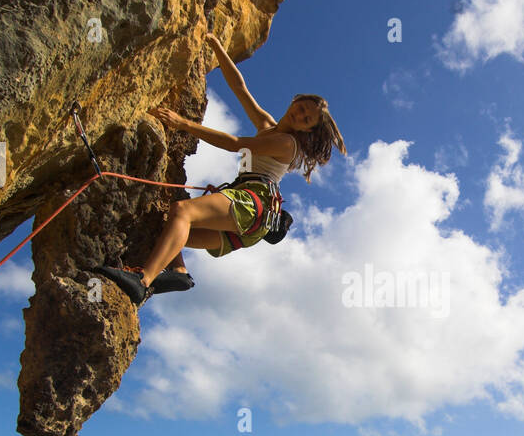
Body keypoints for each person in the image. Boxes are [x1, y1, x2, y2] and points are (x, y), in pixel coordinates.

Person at [95, 32, 346, 305]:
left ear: (306, 130)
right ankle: (179, 272)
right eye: (302, 107)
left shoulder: (287, 144)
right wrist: (217, 47)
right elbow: (240, 88)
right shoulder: (267, 124)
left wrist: (183, 124)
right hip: (250, 215)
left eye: (306, 118)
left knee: (182, 211)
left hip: (253, 203)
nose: (300, 114)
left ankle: (142, 281)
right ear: (295, 100)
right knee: (170, 227)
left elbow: (235, 143)